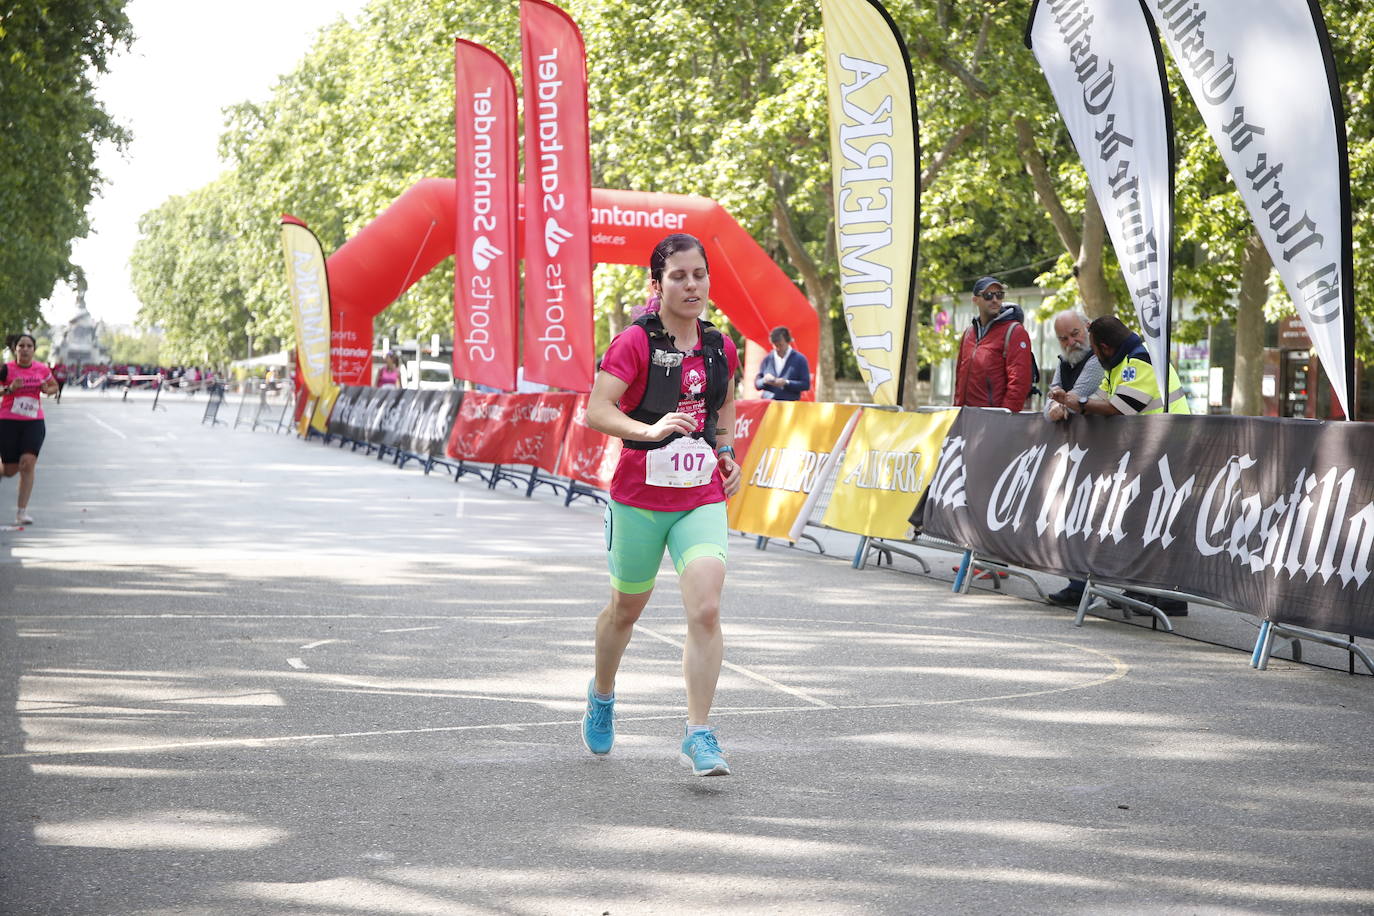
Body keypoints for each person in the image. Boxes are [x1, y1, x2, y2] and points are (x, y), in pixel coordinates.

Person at [583, 232, 742, 777]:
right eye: (678, 275)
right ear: (657, 284)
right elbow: (597, 411)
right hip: (639, 498)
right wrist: (646, 431)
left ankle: (699, 733)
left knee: (706, 607)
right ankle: (602, 692)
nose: (691, 284)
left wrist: (725, 453)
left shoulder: (720, 347)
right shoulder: (634, 342)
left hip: (700, 496)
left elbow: (723, 410)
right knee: (625, 611)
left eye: (699, 274)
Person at [1049, 314, 1190, 615]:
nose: (1091, 354)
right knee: (1141, 522)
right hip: (1152, 449)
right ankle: (1142, 589)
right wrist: (1068, 401)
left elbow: (1120, 407)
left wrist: (1080, 405)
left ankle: (1168, 598)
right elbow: (1100, 394)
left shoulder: (1139, 361)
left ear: (1105, 347)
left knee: (1157, 523)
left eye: (1093, 348)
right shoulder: (1121, 364)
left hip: (1169, 446)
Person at [1041, 309, 1106, 607]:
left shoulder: (1095, 361)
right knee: (1074, 517)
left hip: (1101, 453)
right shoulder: (1065, 362)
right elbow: (1050, 404)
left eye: (1075, 335)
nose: (1070, 343)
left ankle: (1089, 586)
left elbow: (1071, 398)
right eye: (1063, 338)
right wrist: (1058, 401)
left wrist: (1061, 401)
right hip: (1077, 455)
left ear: (1088, 328)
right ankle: (1077, 584)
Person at [0, 334, 59, 526]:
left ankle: (21, 512)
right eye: (21, 346)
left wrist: (45, 389)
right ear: (15, 349)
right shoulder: (6, 369)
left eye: (29, 346)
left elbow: (54, 387)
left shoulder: (41, 369)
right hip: (8, 421)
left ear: (34, 349)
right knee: (9, 470)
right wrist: (9, 389)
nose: (25, 349)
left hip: (34, 422)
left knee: (27, 463)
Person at [954, 276, 1035, 410]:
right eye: (988, 296)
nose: (995, 300)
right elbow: (959, 377)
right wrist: (956, 410)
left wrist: (1003, 418)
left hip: (994, 419)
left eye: (999, 295)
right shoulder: (969, 333)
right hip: (964, 417)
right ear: (975, 300)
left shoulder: (1014, 332)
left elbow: (1019, 383)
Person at [754, 326, 810, 400]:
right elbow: (757, 384)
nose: (778, 348)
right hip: (768, 405)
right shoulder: (767, 359)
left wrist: (786, 383)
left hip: (789, 406)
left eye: (780, 345)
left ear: (788, 342)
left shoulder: (800, 359)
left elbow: (806, 385)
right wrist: (765, 380)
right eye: (775, 345)